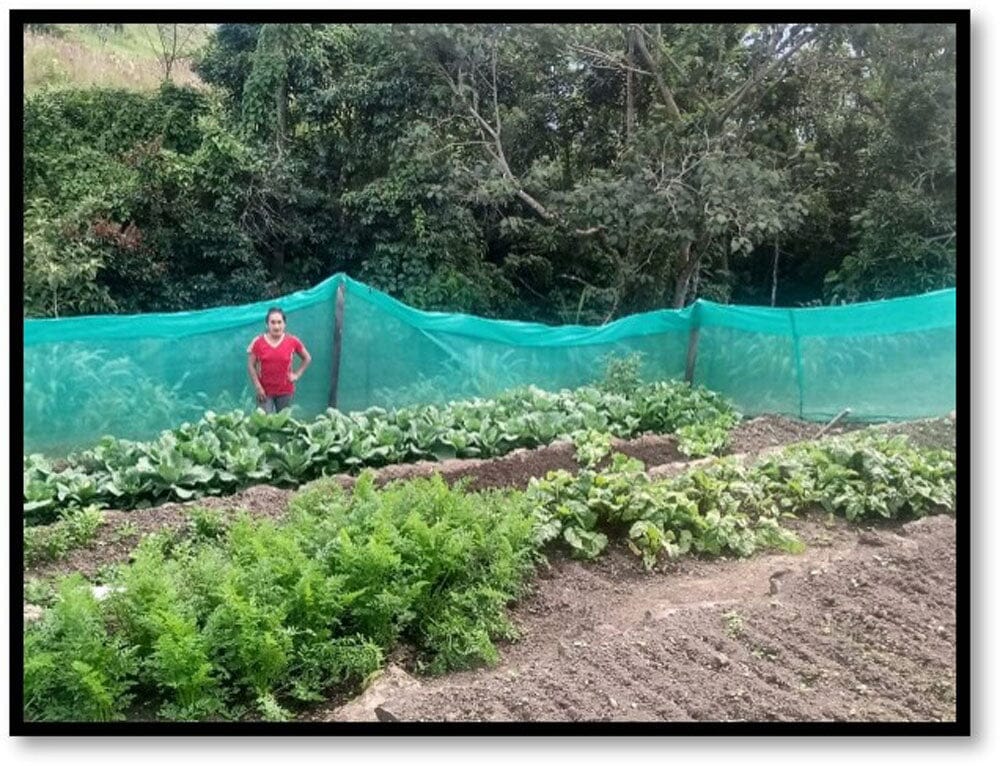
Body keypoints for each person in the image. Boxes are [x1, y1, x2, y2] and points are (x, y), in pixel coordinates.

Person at [247, 307, 312, 413]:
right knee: (264, 424)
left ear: (284, 324)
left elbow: (307, 358)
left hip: (285, 391)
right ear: (267, 324)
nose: (276, 326)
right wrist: (258, 386)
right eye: (272, 322)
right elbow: (251, 365)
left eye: (279, 322)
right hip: (264, 392)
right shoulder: (258, 342)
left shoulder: (292, 341)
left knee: (283, 424)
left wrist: (297, 375)